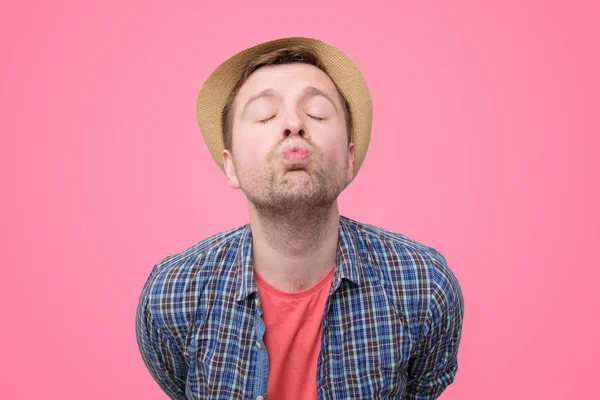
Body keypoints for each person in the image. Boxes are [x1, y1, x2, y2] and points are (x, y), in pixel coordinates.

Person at [135, 36, 464, 400]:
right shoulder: (172, 295)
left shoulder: (424, 286)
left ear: (350, 159)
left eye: (318, 113)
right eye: (265, 115)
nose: (293, 123)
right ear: (231, 166)